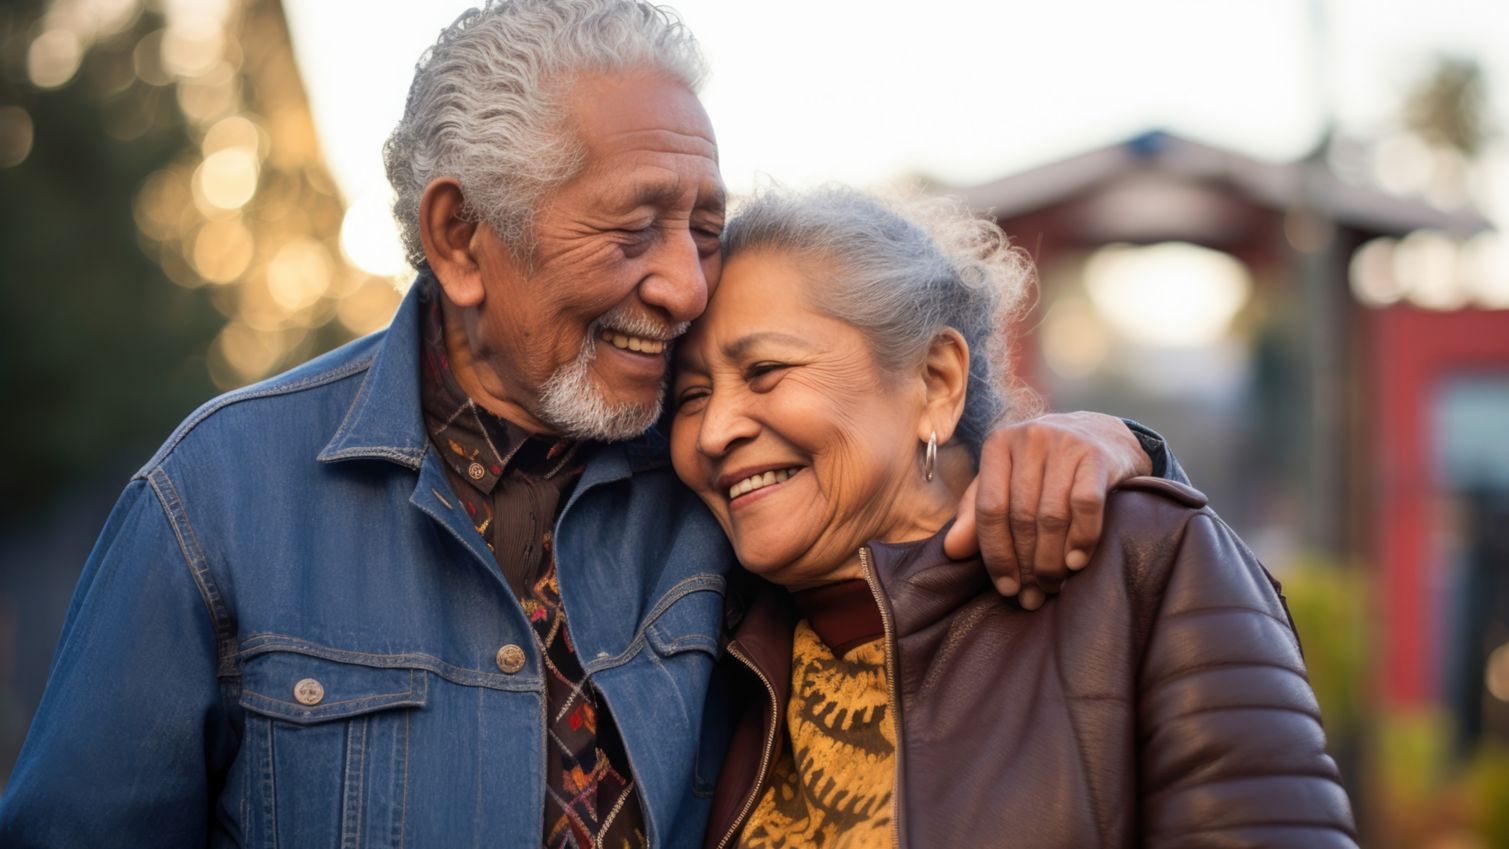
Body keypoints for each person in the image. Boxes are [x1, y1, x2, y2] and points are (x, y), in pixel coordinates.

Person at [0, 2, 1184, 846]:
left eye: (705, 227)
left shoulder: (723, 478)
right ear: (463, 238)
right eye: (634, 229)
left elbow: (912, 512)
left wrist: (1109, 446)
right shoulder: (216, 500)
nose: (682, 285)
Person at [668, 186, 1358, 848]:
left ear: (935, 381)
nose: (714, 431)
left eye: (764, 370)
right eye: (691, 395)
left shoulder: (1140, 562)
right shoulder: (698, 647)